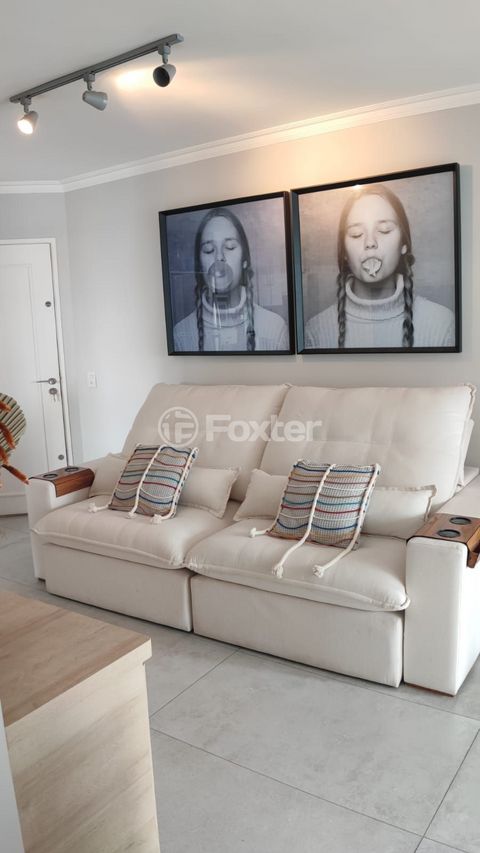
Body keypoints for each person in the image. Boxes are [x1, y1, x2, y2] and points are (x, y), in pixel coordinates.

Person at [304, 183, 455, 349]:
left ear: (403, 243)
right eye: (356, 234)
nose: (370, 242)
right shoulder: (315, 331)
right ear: (344, 251)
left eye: (384, 230)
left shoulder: (442, 324)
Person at [173, 207, 289, 352]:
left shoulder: (274, 329)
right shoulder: (181, 335)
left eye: (230, 247)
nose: (219, 257)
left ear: (244, 260)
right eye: (209, 249)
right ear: (200, 264)